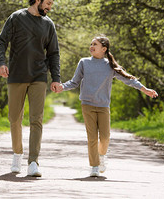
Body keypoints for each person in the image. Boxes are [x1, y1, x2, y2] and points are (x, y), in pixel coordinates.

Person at [57, 35, 158, 177]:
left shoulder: (109, 66)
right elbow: (74, 82)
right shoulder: (84, 62)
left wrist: (145, 89)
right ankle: (94, 166)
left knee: (105, 137)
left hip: (103, 106)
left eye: (95, 44)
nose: (91, 46)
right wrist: (62, 87)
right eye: (91, 43)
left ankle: (102, 155)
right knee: (92, 138)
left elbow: (128, 80)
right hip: (87, 105)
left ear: (104, 49)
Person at [0, 0, 61, 177]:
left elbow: (54, 53)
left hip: (39, 76)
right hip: (16, 75)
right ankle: (17, 154)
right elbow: (1, 42)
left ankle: (33, 161)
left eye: (51, 5)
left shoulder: (48, 24)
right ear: (38, 0)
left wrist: (56, 78)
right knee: (14, 118)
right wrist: (1, 63)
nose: (49, 8)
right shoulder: (16, 17)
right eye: (48, 4)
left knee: (36, 120)